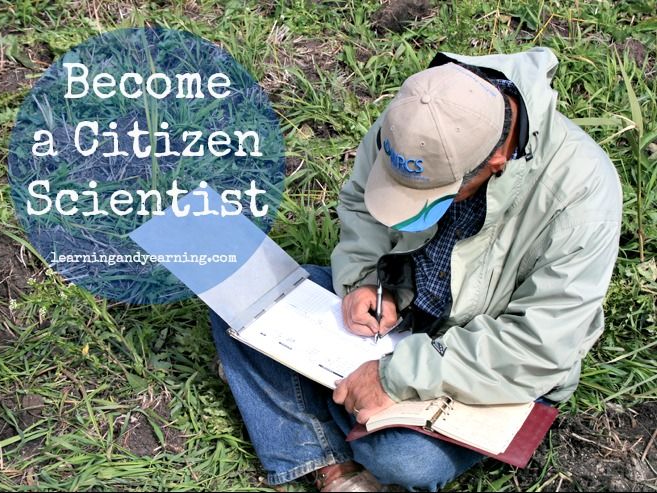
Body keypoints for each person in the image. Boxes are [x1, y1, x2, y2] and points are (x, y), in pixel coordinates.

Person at [209, 47, 622, 491]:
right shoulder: (414, 121)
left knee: (407, 463)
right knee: (241, 299)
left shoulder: (583, 195)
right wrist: (365, 281)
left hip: (490, 357)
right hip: (403, 318)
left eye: (431, 196)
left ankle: (300, 396)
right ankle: (334, 463)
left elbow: (541, 348)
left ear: (497, 159)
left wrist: (395, 376)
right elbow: (362, 209)